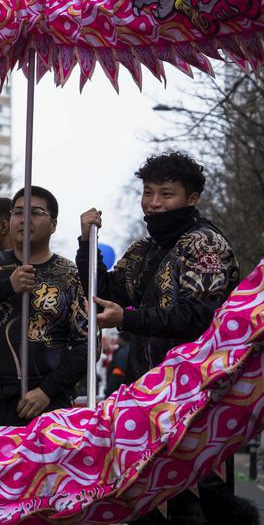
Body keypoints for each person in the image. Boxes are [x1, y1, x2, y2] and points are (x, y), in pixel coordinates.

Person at [79, 152, 242, 525]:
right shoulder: (142, 249)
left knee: (199, 504)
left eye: (166, 194)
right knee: (145, 501)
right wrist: (87, 243)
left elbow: (199, 317)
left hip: (198, 397)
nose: (154, 203)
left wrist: (130, 319)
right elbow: (103, 293)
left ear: (192, 198)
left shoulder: (205, 244)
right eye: (148, 192)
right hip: (147, 396)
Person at [0, 186, 88, 433]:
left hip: (45, 405)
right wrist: (6, 286)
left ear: (53, 224)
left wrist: (48, 390)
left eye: (35, 212)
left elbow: (86, 344)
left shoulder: (68, 275)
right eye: (18, 212)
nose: (24, 219)